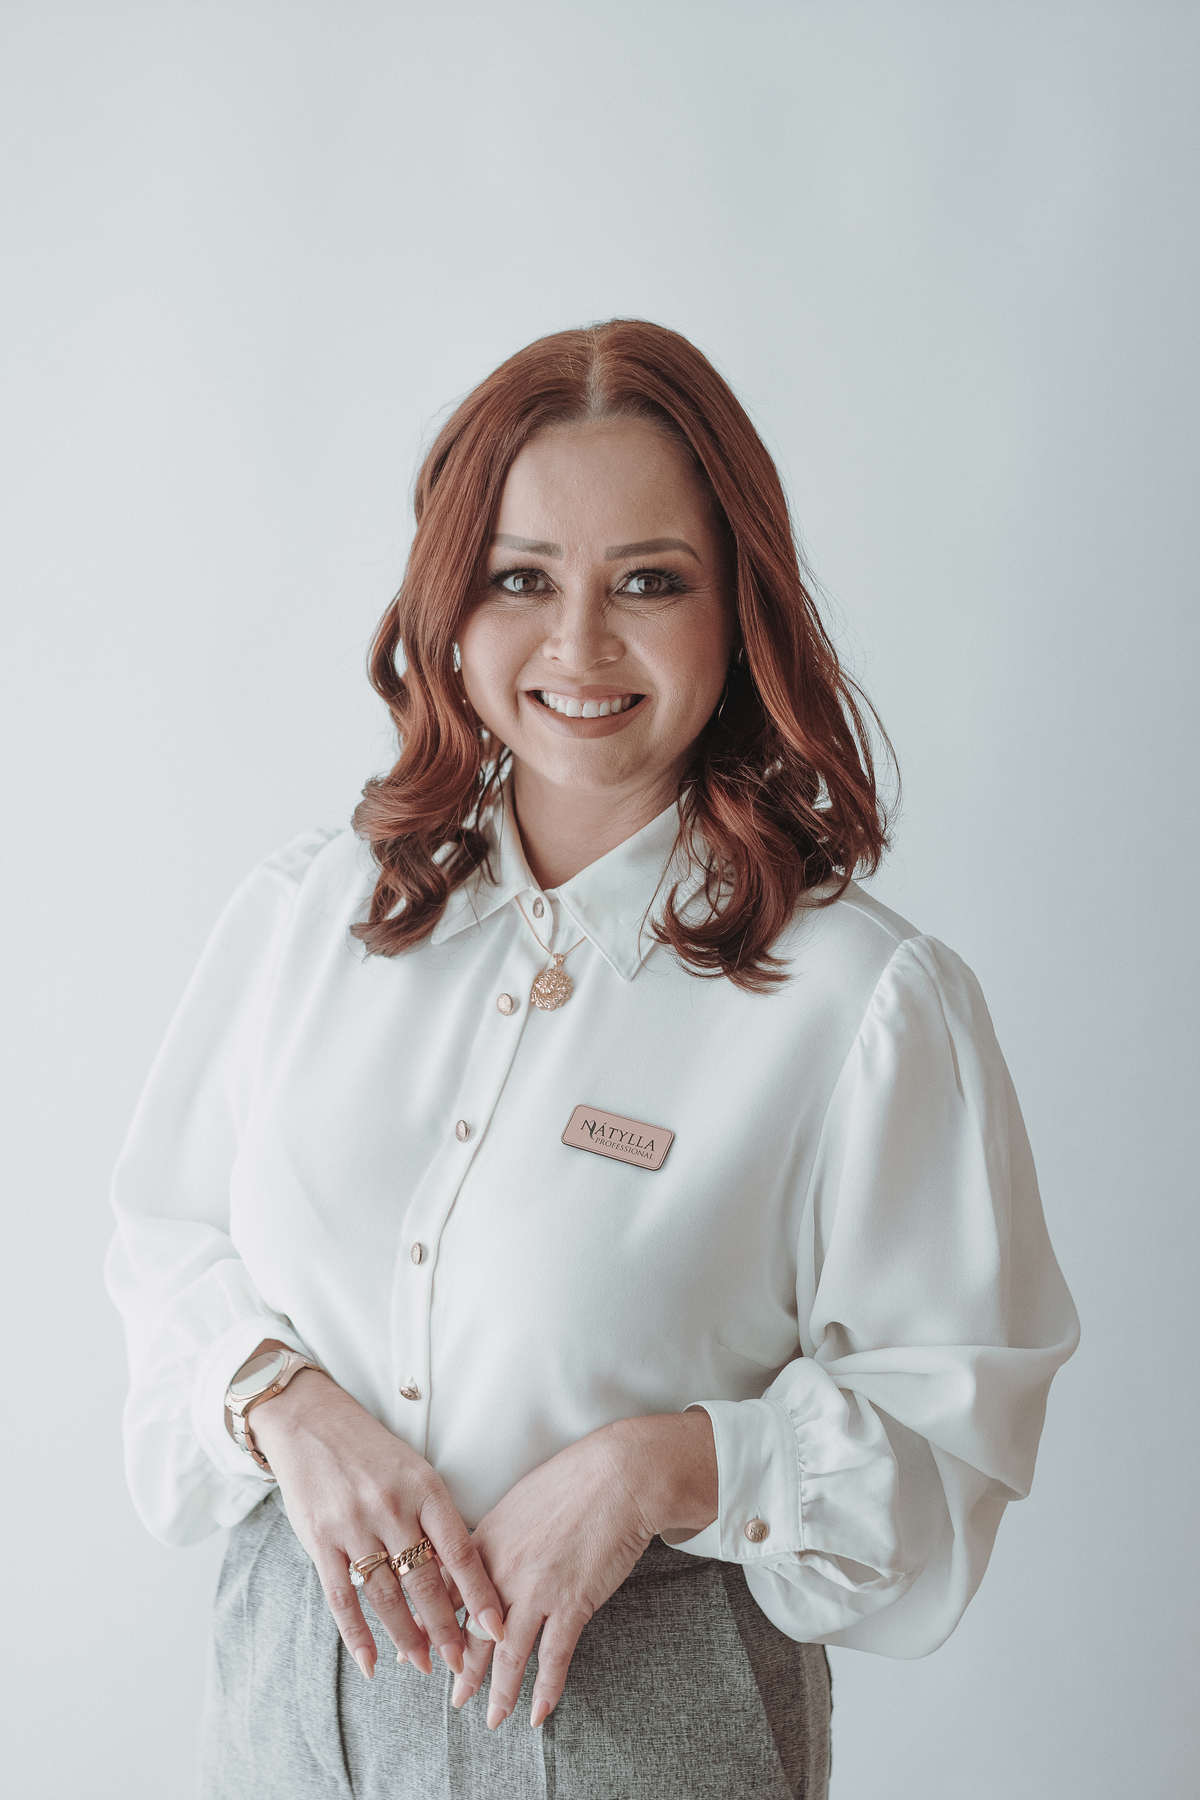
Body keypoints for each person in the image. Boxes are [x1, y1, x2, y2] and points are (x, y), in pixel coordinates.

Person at [107, 319, 1078, 1800]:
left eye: (648, 581)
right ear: (451, 603)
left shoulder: (864, 1003)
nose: (578, 646)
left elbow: (948, 1446)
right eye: (522, 579)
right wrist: (276, 1395)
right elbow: (166, 1237)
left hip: (636, 1718)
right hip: (280, 1706)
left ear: (737, 609)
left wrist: (660, 1469)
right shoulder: (315, 913)